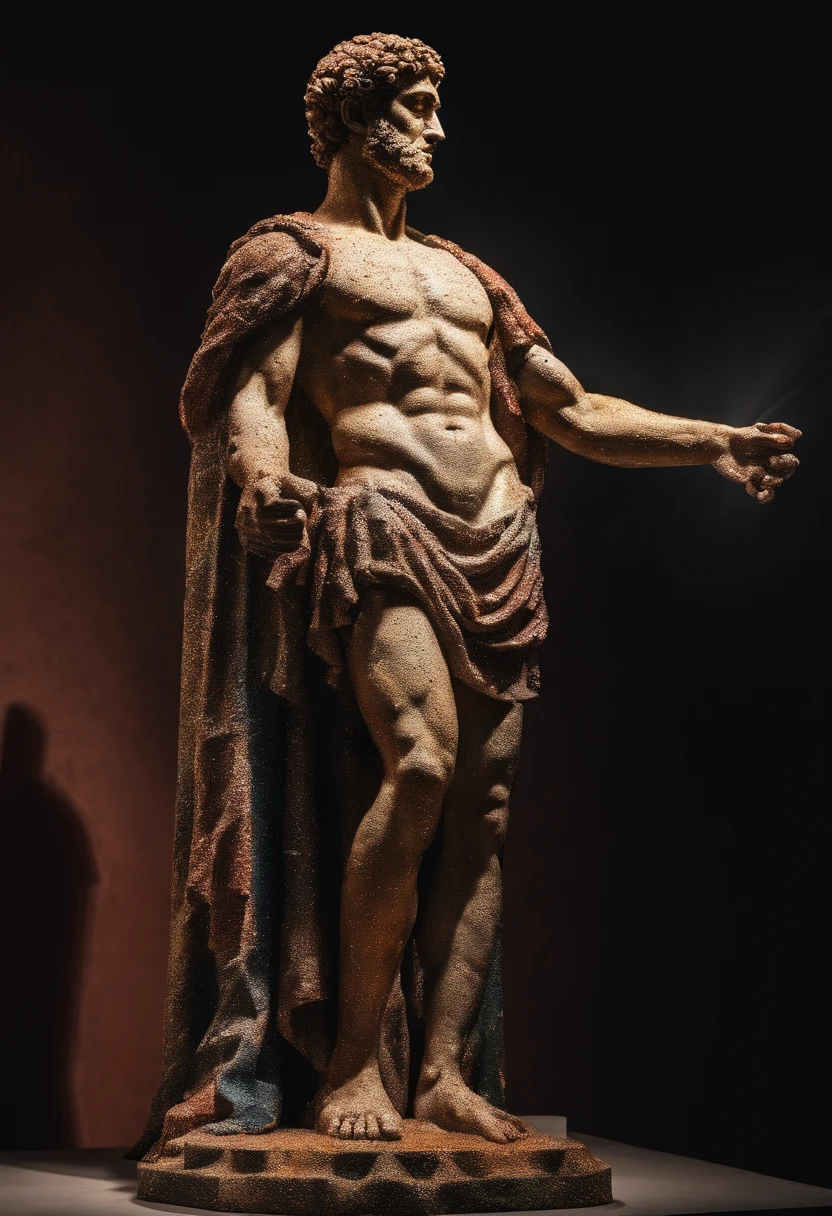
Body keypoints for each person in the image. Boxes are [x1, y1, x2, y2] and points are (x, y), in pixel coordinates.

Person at [135, 33, 800, 1158]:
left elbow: (569, 408)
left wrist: (714, 442)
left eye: (438, 107)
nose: (437, 129)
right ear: (354, 118)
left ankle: (440, 1072)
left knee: (481, 817)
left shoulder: (468, 275)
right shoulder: (294, 253)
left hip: (500, 538)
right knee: (423, 764)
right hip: (380, 523)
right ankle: (352, 1059)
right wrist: (260, 476)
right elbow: (254, 390)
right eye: (416, 105)